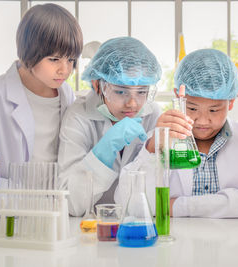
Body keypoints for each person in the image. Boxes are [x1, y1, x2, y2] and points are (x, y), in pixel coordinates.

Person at [115, 49, 238, 218]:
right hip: (179, 242)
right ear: (179, 96)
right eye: (192, 108)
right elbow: (127, 201)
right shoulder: (159, 139)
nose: (202, 121)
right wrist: (153, 148)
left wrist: (177, 206)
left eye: (214, 110)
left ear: (231, 102)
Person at [0, 4, 83, 186]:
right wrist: (19, 199)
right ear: (29, 51)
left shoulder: (66, 95)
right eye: (54, 59)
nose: (65, 70)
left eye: (71, 59)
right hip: (9, 208)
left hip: (55, 206)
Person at [58, 37, 162, 216]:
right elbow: (70, 204)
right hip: (89, 228)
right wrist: (104, 150)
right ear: (98, 85)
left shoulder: (153, 115)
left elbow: (155, 190)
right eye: (121, 91)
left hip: (135, 224)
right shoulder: (79, 115)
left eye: (142, 92)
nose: (132, 103)